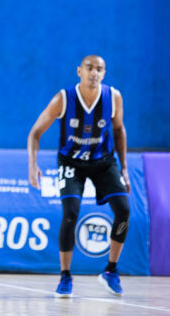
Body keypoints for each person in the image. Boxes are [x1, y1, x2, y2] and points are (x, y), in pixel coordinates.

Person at [27, 55, 131, 298]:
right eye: (89, 68)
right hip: (71, 161)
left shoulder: (113, 97)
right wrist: (33, 165)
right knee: (71, 213)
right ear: (79, 71)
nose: (94, 73)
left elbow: (119, 130)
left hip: (103, 162)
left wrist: (124, 168)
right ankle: (65, 276)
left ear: (104, 73)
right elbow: (35, 133)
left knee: (124, 209)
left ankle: (111, 271)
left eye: (99, 69)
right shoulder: (63, 99)